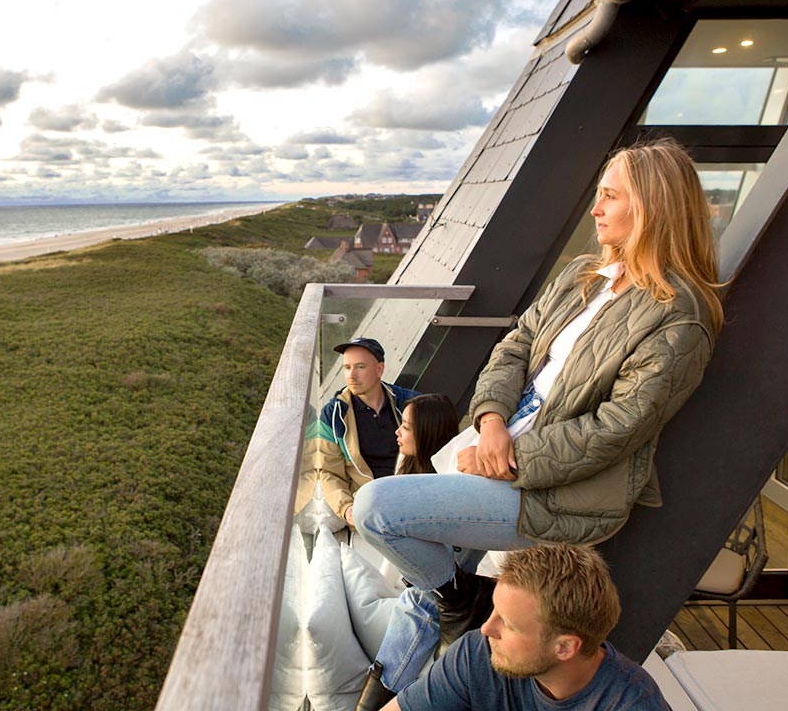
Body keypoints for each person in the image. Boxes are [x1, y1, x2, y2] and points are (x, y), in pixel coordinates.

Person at [352, 139, 723, 708]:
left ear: (650, 209)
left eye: (609, 196)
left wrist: (508, 458)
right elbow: (516, 345)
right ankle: (443, 621)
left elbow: (615, 428)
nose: (594, 209)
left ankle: (453, 607)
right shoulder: (584, 274)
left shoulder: (679, 316)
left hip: (558, 494)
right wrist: (493, 420)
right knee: (427, 580)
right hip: (496, 447)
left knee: (377, 510)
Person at [384, 544, 670, 711]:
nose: (487, 628)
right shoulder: (478, 654)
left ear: (565, 647)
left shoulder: (631, 704)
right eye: (495, 611)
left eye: (507, 624)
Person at [310, 337, 420, 526]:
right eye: (346, 368)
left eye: (360, 367)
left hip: (412, 499)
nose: (351, 375)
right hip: (369, 504)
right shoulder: (334, 414)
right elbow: (328, 472)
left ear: (379, 369)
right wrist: (347, 508)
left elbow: (434, 451)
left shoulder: (410, 403)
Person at [395, 394, 460, 477]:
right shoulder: (406, 459)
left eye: (405, 427)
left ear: (427, 433)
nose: (397, 432)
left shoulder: (453, 473)